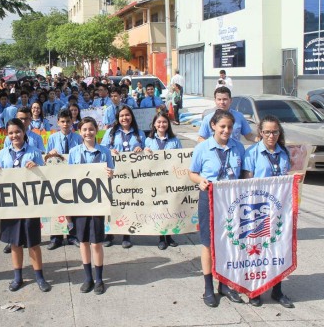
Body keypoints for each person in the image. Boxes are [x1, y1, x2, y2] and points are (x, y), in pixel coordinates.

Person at [189, 109, 246, 307]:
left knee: (228, 242)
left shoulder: (239, 148)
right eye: (222, 126)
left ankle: (224, 284)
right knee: (208, 243)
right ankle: (208, 287)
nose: (226, 130)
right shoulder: (202, 148)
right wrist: (200, 181)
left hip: (232, 200)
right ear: (213, 126)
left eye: (230, 127)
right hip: (209, 198)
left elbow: (244, 176)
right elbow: (192, 173)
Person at [0, 118, 51, 293]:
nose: (14, 135)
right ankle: (17, 277)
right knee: (15, 243)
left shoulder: (34, 152)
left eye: (17, 131)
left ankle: (39, 276)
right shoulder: (2, 153)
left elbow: (44, 176)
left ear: (24, 132)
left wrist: (37, 167)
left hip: (29, 204)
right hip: (10, 205)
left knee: (33, 243)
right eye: (10, 133)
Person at [241, 115, 294, 308]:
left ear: (279, 133)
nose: (271, 136)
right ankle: (254, 290)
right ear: (260, 133)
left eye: (275, 132)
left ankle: (277, 290)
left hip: (280, 211)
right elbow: (247, 182)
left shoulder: (283, 153)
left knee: (277, 250)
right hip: (258, 211)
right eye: (267, 132)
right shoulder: (252, 153)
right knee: (256, 252)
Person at [68, 116, 114, 295]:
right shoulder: (74, 152)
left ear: (97, 130)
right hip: (80, 203)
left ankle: (99, 278)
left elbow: (112, 172)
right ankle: (88, 278)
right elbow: (68, 176)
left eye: (91, 129)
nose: (88, 132)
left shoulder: (104, 152)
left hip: (97, 202)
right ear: (80, 132)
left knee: (96, 243)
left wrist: (111, 173)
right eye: (84, 129)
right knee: (83, 242)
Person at [101, 105, 145, 248]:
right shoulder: (110, 133)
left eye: (127, 115)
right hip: (113, 175)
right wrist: (110, 151)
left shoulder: (139, 133)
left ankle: (126, 234)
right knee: (111, 204)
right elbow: (101, 150)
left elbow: (149, 152)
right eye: (121, 116)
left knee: (128, 204)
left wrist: (142, 150)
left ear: (131, 116)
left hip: (132, 176)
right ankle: (109, 233)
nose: (124, 118)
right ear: (117, 118)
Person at [144, 112, 182, 249]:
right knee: (159, 208)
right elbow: (142, 161)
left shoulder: (175, 141)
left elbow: (181, 159)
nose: (161, 125)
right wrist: (144, 152)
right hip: (155, 180)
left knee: (171, 207)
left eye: (164, 122)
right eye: (159, 122)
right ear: (154, 124)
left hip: (171, 180)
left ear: (168, 124)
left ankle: (170, 236)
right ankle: (161, 237)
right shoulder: (148, 141)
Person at [46, 109, 83, 249]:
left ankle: (73, 236)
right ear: (58, 123)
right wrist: (50, 154)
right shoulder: (52, 138)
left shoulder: (78, 138)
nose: (66, 124)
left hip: (73, 175)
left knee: (73, 206)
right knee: (56, 205)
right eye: (62, 121)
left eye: (68, 121)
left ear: (72, 121)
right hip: (57, 177)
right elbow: (47, 159)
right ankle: (56, 237)